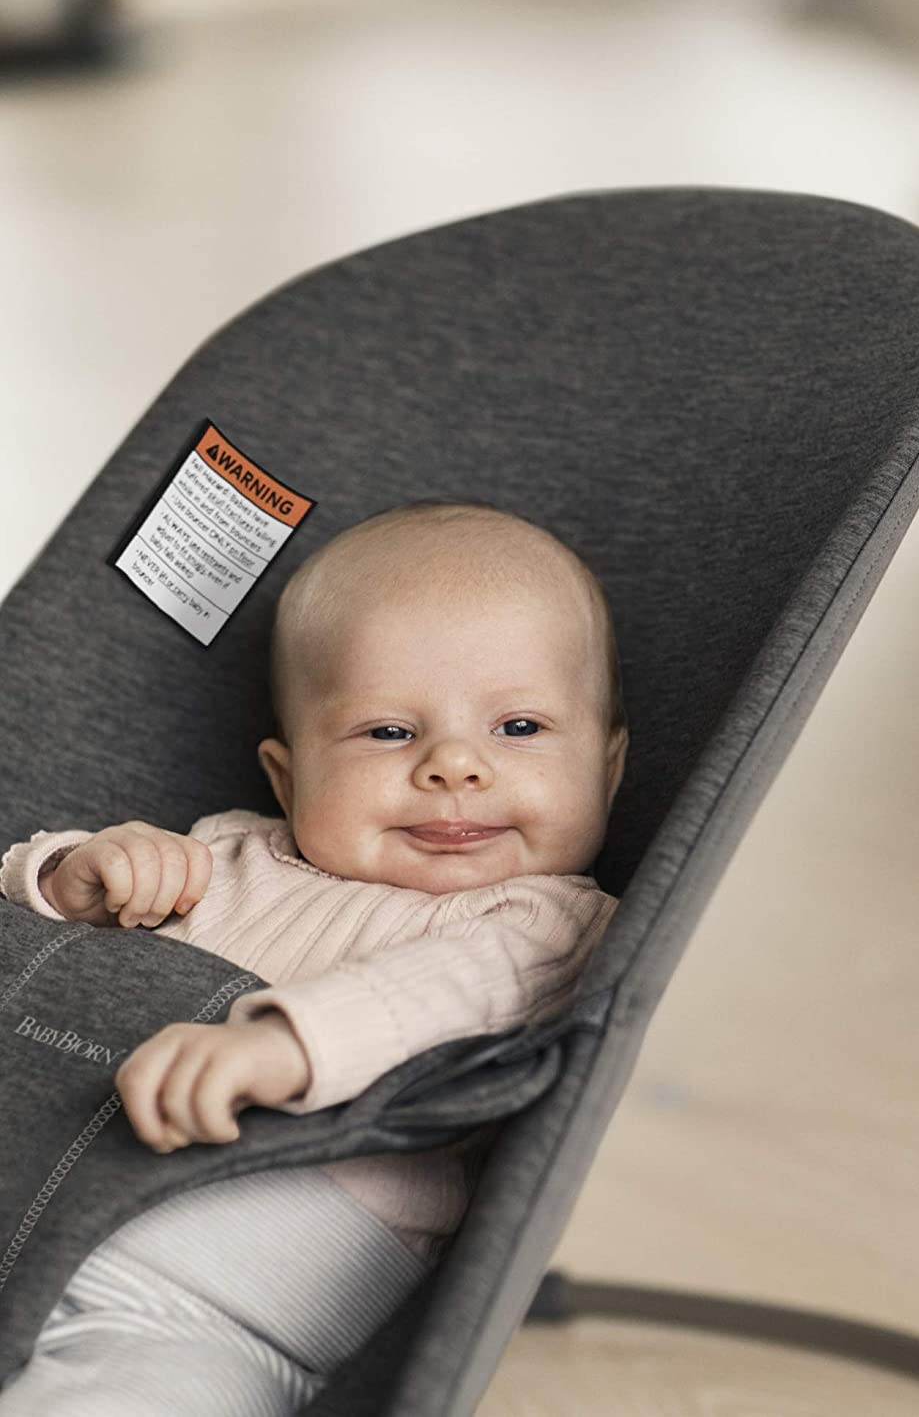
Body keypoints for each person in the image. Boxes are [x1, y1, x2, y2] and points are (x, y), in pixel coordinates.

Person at [0, 498, 629, 1416]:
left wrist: (285, 1042)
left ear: (607, 771)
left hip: (218, 1309)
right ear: (288, 777)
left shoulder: (551, 921)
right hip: (33, 1189)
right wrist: (72, 877)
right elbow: (41, 955)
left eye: (520, 728)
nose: (455, 765)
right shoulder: (229, 852)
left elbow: (448, 995)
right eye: (389, 731)